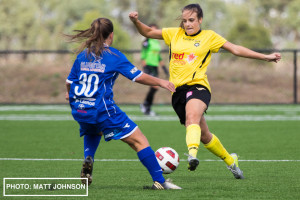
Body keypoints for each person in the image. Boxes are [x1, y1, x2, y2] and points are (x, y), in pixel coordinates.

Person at [129, 3, 281, 179]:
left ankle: (192, 155)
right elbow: (147, 32)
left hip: (198, 86)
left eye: (192, 20)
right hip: (177, 92)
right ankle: (231, 161)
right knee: (205, 135)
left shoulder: (209, 37)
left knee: (191, 117)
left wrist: (265, 57)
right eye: (185, 21)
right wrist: (135, 21)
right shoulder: (174, 34)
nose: (188, 24)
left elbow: (235, 49)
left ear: (200, 20)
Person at [65, 17, 181, 190]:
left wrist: (70, 96)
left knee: (93, 129)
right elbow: (137, 76)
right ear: (110, 35)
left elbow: (69, 82)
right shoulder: (114, 56)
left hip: (80, 109)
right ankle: (160, 180)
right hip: (102, 110)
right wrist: (161, 82)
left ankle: (89, 158)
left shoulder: (83, 55)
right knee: (139, 140)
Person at [139, 24, 169, 116]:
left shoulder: (156, 42)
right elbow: (143, 55)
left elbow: (158, 56)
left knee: (155, 87)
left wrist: (164, 68)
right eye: (152, 29)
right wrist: (145, 68)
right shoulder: (147, 41)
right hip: (148, 65)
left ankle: (146, 107)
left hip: (155, 67)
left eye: (156, 29)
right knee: (155, 86)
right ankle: (145, 105)